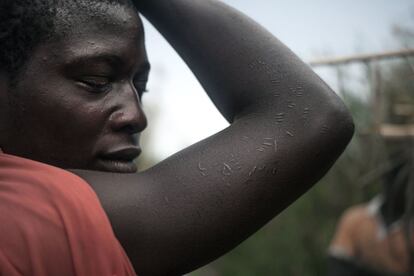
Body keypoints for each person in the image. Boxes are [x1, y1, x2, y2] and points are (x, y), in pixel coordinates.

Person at [0, 0, 354, 275]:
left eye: (140, 87)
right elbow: (308, 114)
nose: (136, 116)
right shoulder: (22, 215)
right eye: (96, 81)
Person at [328, 141, 413, 276]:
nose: (398, 188)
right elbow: (339, 267)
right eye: (393, 179)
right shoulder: (354, 220)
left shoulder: (410, 232)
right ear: (385, 180)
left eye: (405, 182)